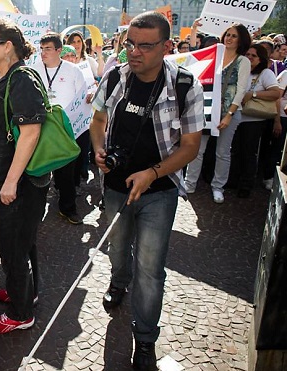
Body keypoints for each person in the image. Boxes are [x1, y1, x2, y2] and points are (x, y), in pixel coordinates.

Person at [90, 12, 204, 370]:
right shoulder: (114, 76)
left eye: (145, 46)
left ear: (167, 47)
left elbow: (190, 147)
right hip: (114, 186)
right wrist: (98, 153)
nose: (134, 53)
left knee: (151, 269)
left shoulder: (186, 85)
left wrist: (151, 173)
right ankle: (118, 281)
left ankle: (144, 340)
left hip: (159, 191)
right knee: (118, 249)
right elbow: (97, 122)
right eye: (130, 44)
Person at [0, 19, 48, 334]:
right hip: (17, 180)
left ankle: (20, 314)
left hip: (21, 182)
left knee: (12, 247)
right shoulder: (6, 77)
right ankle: (25, 292)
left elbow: (31, 132)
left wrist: (10, 181)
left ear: (8, 47)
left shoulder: (21, 78)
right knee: (23, 242)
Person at [184, 23, 251, 203]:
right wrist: (193, 31)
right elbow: (192, 58)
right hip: (206, 110)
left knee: (222, 152)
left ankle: (218, 187)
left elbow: (241, 90)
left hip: (229, 112)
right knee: (197, 149)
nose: (229, 38)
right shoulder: (215, 55)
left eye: (234, 36)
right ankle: (189, 184)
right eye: (227, 34)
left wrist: (229, 115)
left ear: (241, 40)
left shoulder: (243, 61)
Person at [33, 32, 87, 225]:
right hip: (40, 126)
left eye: (48, 49)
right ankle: (35, 210)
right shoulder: (34, 70)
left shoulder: (73, 71)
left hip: (64, 127)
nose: (43, 53)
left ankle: (68, 208)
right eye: (41, 49)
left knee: (66, 171)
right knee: (39, 168)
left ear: (59, 50)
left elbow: (83, 96)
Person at [229, 43, 281, 197]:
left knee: (249, 152)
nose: (250, 58)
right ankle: (233, 180)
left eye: (254, 56)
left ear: (260, 59)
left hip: (253, 119)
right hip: (235, 116)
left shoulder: (266, 74)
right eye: (248, 55)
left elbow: (275, 93)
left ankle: (246, 184)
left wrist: (253, 94)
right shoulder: (238, 71)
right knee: (235, 151)